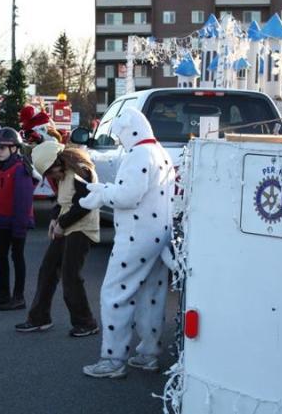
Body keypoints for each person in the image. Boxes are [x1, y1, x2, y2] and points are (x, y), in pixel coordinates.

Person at [80, 107, 175, 379]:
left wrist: (102, 192)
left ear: (130, 130)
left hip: (135, 237)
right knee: (150, 295)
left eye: (120, 134)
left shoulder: (138, 155)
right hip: (158, 236)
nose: (120, 140)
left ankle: (113, 359)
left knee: (114, 294)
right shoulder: (159, 151)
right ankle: (148, 353)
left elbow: (127, 197)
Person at [15, 141, 99, 336]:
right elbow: (63, 201)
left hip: (82, 230)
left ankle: (86, 323)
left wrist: (61, 224)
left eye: (51, 173)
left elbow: (84, 204)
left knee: (71, 277)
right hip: (68, 226)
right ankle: (39, 318)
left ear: (58, 162)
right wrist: (55, 219)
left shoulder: (81, 172)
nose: (51, 178)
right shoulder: (65, 173)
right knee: (48, 270)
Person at [0, 127, 36, 311]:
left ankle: (18, 297)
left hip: (16, 223)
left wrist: (19, 227)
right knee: (0, 254)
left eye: (2, 148)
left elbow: (23, 201)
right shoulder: (1, 167)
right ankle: (4, 294)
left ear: (14, 148)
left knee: (17, 256)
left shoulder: (20, 169)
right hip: (4, 221)